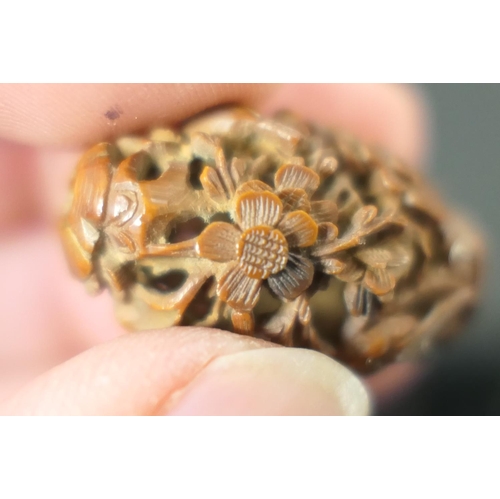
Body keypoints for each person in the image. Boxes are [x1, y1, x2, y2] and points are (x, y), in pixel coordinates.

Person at [0, 84, 426, 415]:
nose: (159, 200)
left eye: (151, 174)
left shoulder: (209, 145)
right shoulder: (158, 301)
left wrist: (267, 132)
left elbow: (241, 128)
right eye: (159, 234)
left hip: (367, 225)